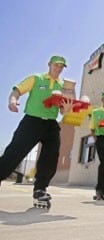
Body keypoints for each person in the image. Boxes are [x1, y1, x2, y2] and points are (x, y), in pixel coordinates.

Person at [0, 55, 73, 205]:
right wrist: (13, 100)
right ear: (49, 64)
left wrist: (67, 108)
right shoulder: (36, 78)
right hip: (31, 122)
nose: (58, 69)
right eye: (56, 65)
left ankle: (40, 189)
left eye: (61, 66)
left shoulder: (63, 86)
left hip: (51, 124)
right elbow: (17, 91)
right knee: (14, 152)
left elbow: (64, 112)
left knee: (51, 156)